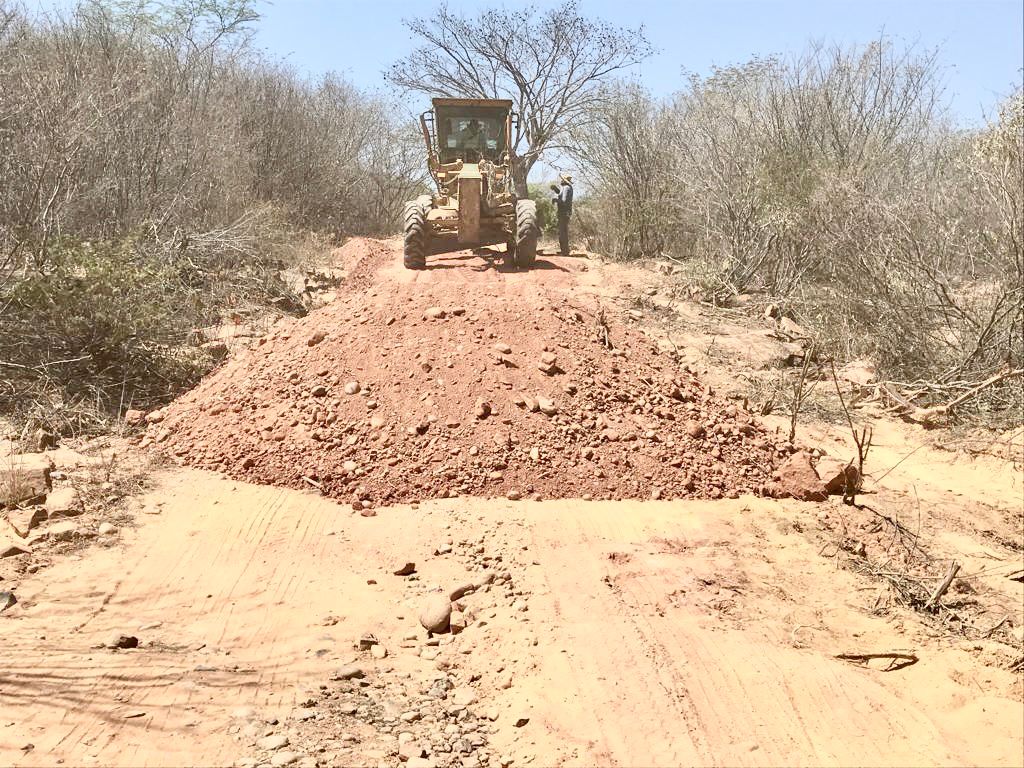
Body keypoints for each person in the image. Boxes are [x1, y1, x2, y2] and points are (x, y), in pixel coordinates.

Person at [550, 173, 573, 257]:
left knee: (562, 232)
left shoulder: (566, 188)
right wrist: (555, 189)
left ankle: (565, 251)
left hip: (564, 213)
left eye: (562, 179)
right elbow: (561, 193)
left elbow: (564, 201)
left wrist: (555, 200)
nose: (561, 180)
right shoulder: (566, 188)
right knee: (563, 231)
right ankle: (564, 250)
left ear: (564, 180)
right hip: (564, 212)